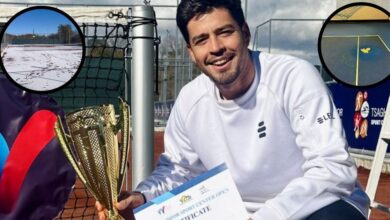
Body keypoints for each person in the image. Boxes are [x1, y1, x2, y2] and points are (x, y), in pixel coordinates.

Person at [97, 0, 370, 219]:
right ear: (191, 51)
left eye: (224, 32)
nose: (216, 48)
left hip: (319, 207)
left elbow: (333, 170)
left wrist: (268, 215)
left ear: (245, 33)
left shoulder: (294, 77)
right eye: (202, 39)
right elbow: (178, 170)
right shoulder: (190, 100)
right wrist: (143, 197)